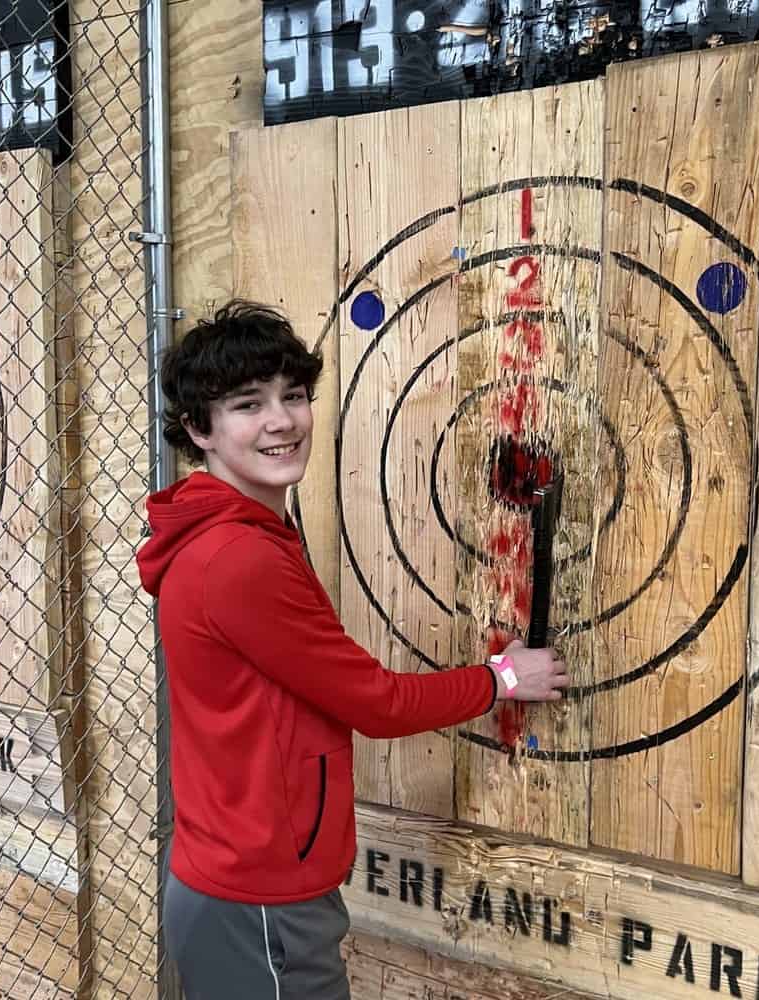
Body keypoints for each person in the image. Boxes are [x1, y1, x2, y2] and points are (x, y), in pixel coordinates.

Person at [136, 300, 569, 1000]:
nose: (283, 420)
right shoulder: (237, 557)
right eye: (249, 404)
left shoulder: (234, 534)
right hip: (260, 905)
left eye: (295, 396)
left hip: (244, 887)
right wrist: (501, 678)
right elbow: (376, 702)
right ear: (198, 428)